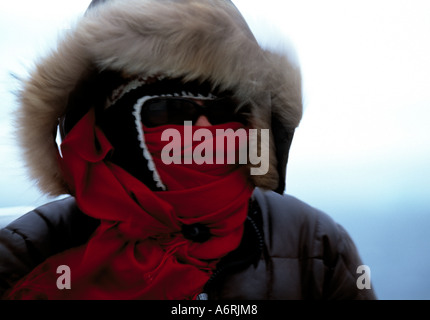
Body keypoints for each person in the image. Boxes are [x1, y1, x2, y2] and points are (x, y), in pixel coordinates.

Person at [0, 0, 376, 300]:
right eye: (171, 110)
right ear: (108, 127)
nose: (203, 131)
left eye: (223, 111)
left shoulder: (316, 245)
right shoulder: (29, 252)